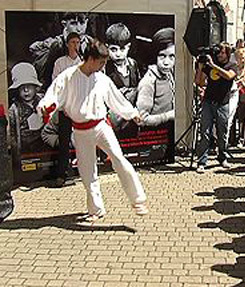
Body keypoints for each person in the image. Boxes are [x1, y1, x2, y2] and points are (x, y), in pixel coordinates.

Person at [38, 39, 148, 222]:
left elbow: (116, 99)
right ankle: (96, 209)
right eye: (101, 62)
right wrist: (46, 107)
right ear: (90, 58)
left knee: (119, 159)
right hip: (80, 131)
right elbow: (53, 96)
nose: (103, 65)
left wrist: (132, 113)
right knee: (88, 171)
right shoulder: (68, 76)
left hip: (100, 126)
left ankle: (138, 200)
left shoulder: (102, 79)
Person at [195, 41, 237, 173]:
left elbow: (229, 76)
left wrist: (213, 66)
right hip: (208, 102)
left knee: (222, 133)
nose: (219, 54)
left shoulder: (232, 65)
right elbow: (199, 82)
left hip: (222, 103)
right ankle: (202, 161)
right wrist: (201, 68)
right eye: (218, 52)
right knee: (205, 132)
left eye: (222, 52)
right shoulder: (210, 64)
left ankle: (222, 157)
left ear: (228, 54)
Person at [48, 31, 82, 187]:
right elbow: (56, 86)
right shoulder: (60, 62)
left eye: (78, 42)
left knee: (83, 141)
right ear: (68, 44)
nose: (76, 45)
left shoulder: (83, 62)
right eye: (73, 42)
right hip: (65, 109)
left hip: (81, 109)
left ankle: (84, 172)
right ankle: (63, 174)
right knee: (64, 142)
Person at [30, 12, 92, 89]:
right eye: (73, 24)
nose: (79, 29)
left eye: (82, 23)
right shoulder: (57, 43)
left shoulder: (91, 43)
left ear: (86, 22)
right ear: (64, 24)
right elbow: (33, 48)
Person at [105, 23, 141, 130]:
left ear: (128, 47)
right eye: (113, 50)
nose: (118, 54)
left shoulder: (133, 64)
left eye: (122, 49)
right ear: (107, 48)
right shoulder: (105, 68)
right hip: (114, 117)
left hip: (132, 118)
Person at [136, 27, 175, 126]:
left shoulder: (170, 74)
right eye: (162, 56)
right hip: (154, 136)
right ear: (155, 56)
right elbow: (141, 120)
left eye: (172, 56)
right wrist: (169, 116)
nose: (166, 62)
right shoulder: (148, 82)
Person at [8, 63, 44, 163]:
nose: (26, 90)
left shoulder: (44, 100)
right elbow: (12, 135)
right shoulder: (14, 110)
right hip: (27, 151)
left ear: (35, 86)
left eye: (29, 86)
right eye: (22, 87)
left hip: (46, 147)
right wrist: (16, 155)